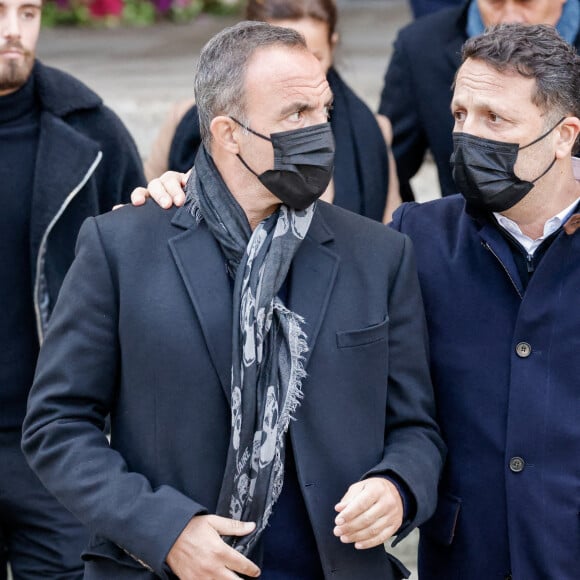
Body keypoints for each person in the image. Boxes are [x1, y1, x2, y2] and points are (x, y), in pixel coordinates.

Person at [22, 21, 445, 579]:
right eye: (296, 116)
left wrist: (399, 487)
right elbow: (56, 426)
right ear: (228, 132)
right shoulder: (121, 247)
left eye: (324, 112)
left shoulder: (379, 255)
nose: (320, 131)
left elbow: (417, 429)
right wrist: (165, 531)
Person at [390, 23, 580, 579]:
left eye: (495, 118)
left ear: (566, 134)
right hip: (467, 558)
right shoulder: (416, 235)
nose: (469, 135)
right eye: (459, 115)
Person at [0, 0, 144, 577]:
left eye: (27, 12)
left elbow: (142, 274)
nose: (13, 30)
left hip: (56, 446)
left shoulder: (91, 129)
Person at [144, 0, 401, 223]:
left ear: (333, 46)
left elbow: (388, 233)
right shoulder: (186, 121)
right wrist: (162, 194)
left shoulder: (371, 132)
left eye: (314, 58)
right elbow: (149, 214)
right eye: (279, 64)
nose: (299, 74)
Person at [379, 0, 580, 201]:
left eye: (526, 2)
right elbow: (387, 168)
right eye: (495, 3)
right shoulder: (421, 46)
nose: (510, 17)